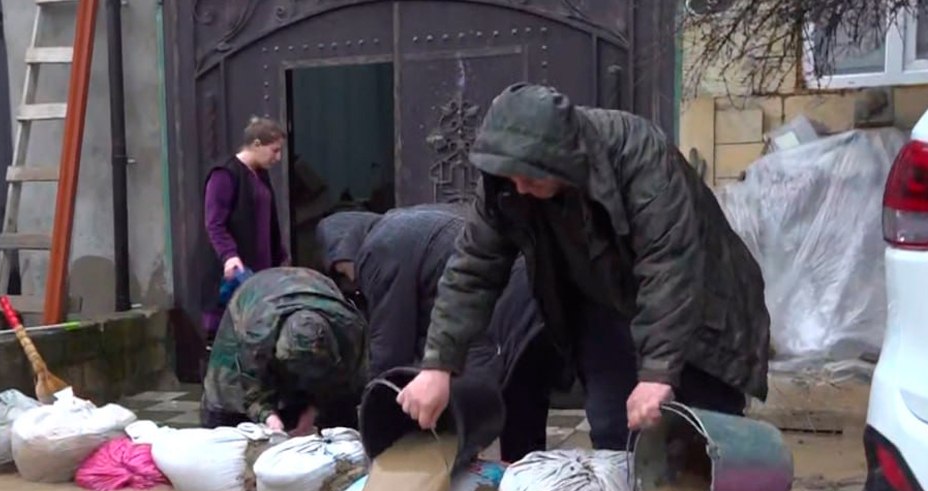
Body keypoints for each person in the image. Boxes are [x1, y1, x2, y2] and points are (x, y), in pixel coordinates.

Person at [396, 83, 771, 450]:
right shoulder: (505, 180)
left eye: (532, 176)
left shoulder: (640, 155)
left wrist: (657, 372)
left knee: (705, 435)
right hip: (605, 306)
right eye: (513, 178)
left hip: (702, 306)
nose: (520, 188)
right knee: (614, 430)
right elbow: (472, 269)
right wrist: (438, 366)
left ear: (563, 157)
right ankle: (627, 486)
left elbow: (668, 265)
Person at [318, 204, 564, 461]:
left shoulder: (377, 249)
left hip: (505, 298)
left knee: (492, 395)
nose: (350, 280)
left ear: (344, 248)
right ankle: (527, 477)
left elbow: (390, 346)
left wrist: (376, 413)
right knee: (525, 398)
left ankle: (481, 464)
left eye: (341, 270)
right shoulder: (404, 226)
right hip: (539, 289)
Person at [201, 267, 367, 437]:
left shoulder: (350, 329)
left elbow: (349, 383)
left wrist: (314, 411)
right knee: (227, 397)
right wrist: (269, 417)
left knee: (340, 415)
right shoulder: (257, 334)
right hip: (256, 297)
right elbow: (251, 387)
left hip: (313, 288)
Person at [199, 116, 290, 339]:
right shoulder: (225, 174)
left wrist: (280, 256)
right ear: (257, 144)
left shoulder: (260, 175)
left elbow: (267, 221)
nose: (278, 158)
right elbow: (214, 223)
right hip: (234, 274)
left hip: (259, 274)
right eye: (274, 150)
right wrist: (229, 256)